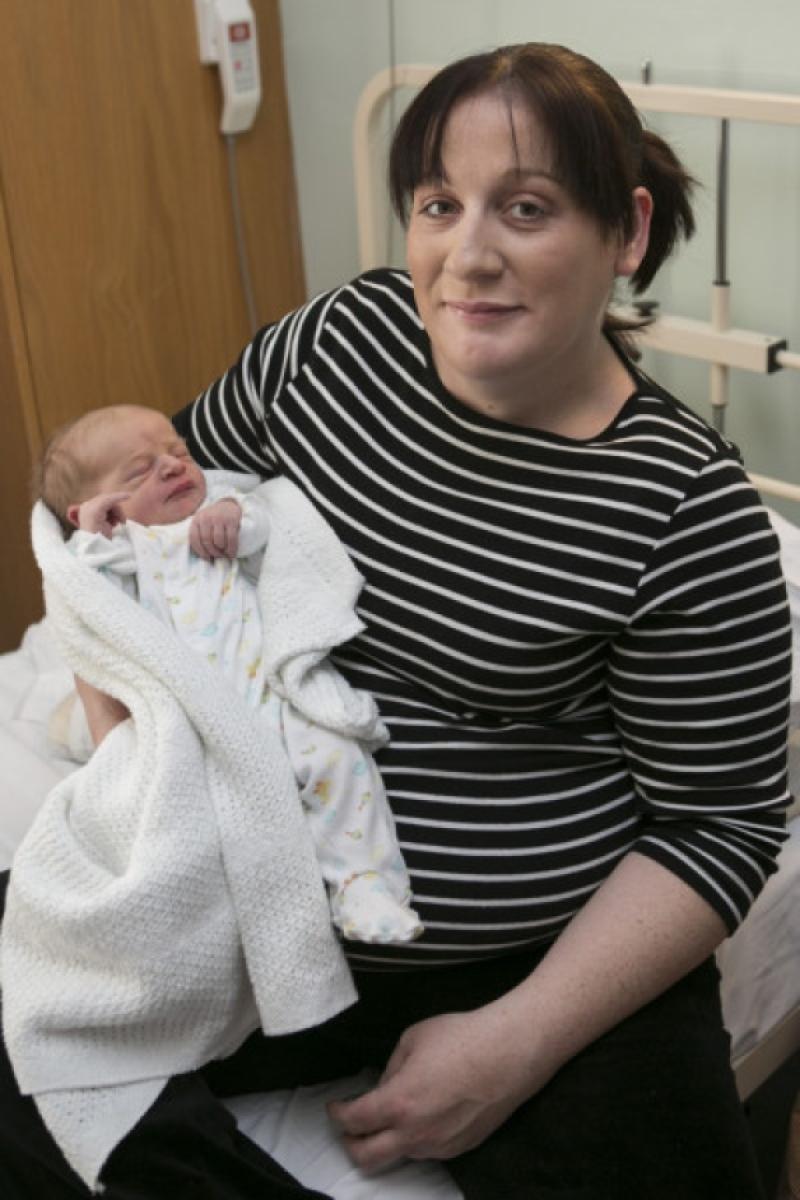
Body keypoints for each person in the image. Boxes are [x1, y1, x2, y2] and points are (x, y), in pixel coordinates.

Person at [0, 41, 792, 1200]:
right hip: (251, 881)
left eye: (524, 208)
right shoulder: (336, 346)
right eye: (436, 204)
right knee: (30, 1039)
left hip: (524, 950)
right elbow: (146, 514)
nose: (465, 258)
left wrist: (512, 1042)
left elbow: (715, 826)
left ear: (623, 234)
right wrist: (116, 697)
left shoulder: (682, 507)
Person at [37, 402, 423, 946]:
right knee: (187, 812)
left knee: (338, 762)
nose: (173, 467)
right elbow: (88, 602)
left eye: (178, 452)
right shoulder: (120, 549)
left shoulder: (220, 509)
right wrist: (95, 537)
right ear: (95, 509)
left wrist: (235, 521)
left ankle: (365, 884)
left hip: (270, 697)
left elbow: (271, 536)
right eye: (139, 470)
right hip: (188, 719)